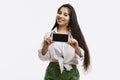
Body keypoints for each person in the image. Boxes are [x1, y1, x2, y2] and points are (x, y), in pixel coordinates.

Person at [38, 4, 90, 80]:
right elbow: (43, 58)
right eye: (59, 13)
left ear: (70, 18)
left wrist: (76, 47)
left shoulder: (75, 35)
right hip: (52, 72)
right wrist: (45, 46)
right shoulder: (49, 35)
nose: (61, 16)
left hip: (71, 72)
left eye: (65, 15)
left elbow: (82, 56)